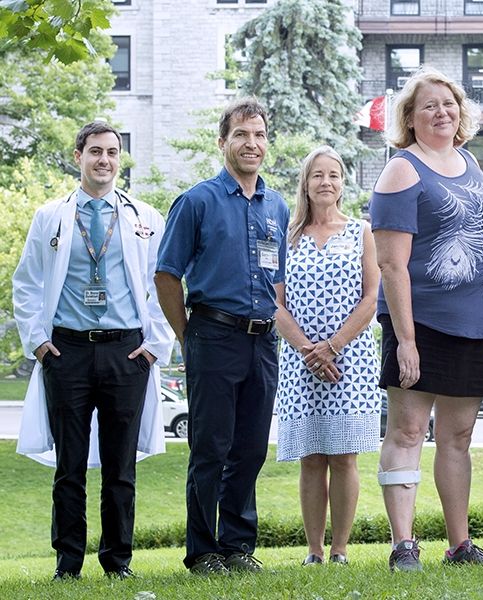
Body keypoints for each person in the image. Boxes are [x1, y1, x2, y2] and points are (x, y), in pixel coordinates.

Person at [12, 121, 173, 580]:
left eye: (112, 152)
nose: (105, 160)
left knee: (121, 468)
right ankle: (68, 564)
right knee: (70, 466)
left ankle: (117, 561)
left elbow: (164, 284)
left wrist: (154, 347)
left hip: (127, 354)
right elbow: (27, 283)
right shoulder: (50, 217)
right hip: (67, 352)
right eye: (96, 151)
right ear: (78, 157)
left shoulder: (145, 217)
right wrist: (39, 344)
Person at [369, 67, 483, 571]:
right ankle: (404, 545)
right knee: (408, 431)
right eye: (429, 105)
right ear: (410, 117)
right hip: (420, 323)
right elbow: (391, 265)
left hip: (473, 325)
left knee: (458, 437)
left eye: (449, 104)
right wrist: (406, 340)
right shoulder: (401, 170)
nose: (441, 112)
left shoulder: (468, 161)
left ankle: (460, 545)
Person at [154, 98, 290, 574]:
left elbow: (276, 280)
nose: (252, 143)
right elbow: (166, 276)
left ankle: (237, 547)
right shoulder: (197, 202)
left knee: (250, 449)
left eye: (259, 135)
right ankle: (203, 551)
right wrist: (187, 336)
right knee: (210, 448)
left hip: (263, 341)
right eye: (241, 135)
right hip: (213, 335)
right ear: (222, 142)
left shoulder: (277, 206)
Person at [273, 146, 380, 566]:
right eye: (318, 175)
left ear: (342, 183)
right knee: (311, 457)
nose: (326, 182)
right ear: (306, 182)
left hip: (349, 359)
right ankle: (314, 551)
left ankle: (340, 550)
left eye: (333, 175)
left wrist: (333, 346)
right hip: (300, 362)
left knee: (343, 455)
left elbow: (371, 299)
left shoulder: (360, 231)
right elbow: (275, 302)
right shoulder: (286, 236)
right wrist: (309, 351)